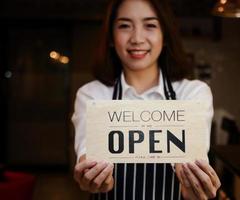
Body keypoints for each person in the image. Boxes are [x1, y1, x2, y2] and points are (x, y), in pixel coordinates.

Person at [71, 0, 221, 199]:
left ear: (165, 36)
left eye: (150, 25)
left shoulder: (192, 94)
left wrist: (195, 183)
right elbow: (87, 155)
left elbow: (194, 159)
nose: (137, 38)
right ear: (110, 37)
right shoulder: (92, 95)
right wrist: (94, 177)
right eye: (125, 26)